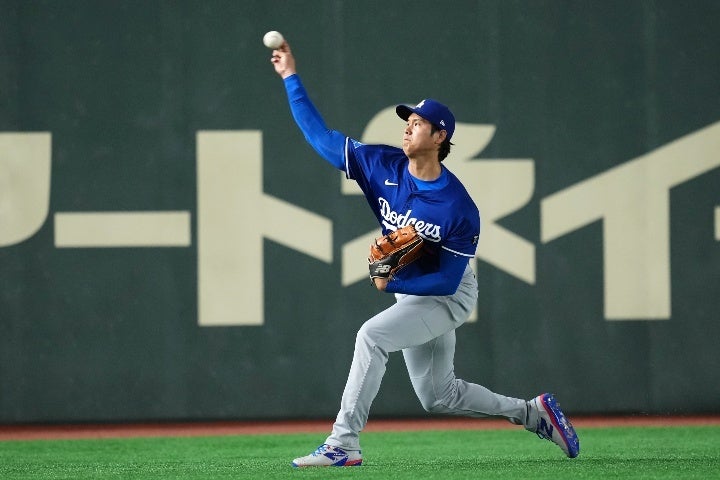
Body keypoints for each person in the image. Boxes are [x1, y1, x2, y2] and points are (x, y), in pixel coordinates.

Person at [270, 38, 580, 468]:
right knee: (440, 395)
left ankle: (344, 444)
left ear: (440, 136)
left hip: (448, 296)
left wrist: (390, 278)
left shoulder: (457, 207)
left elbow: (447, 281)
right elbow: (320, 136)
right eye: (407, 120)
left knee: (371, 337)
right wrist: (290, 77)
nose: (407, 127)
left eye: (418, 123)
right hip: (413, 292)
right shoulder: (382, 165)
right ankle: (533, 413)